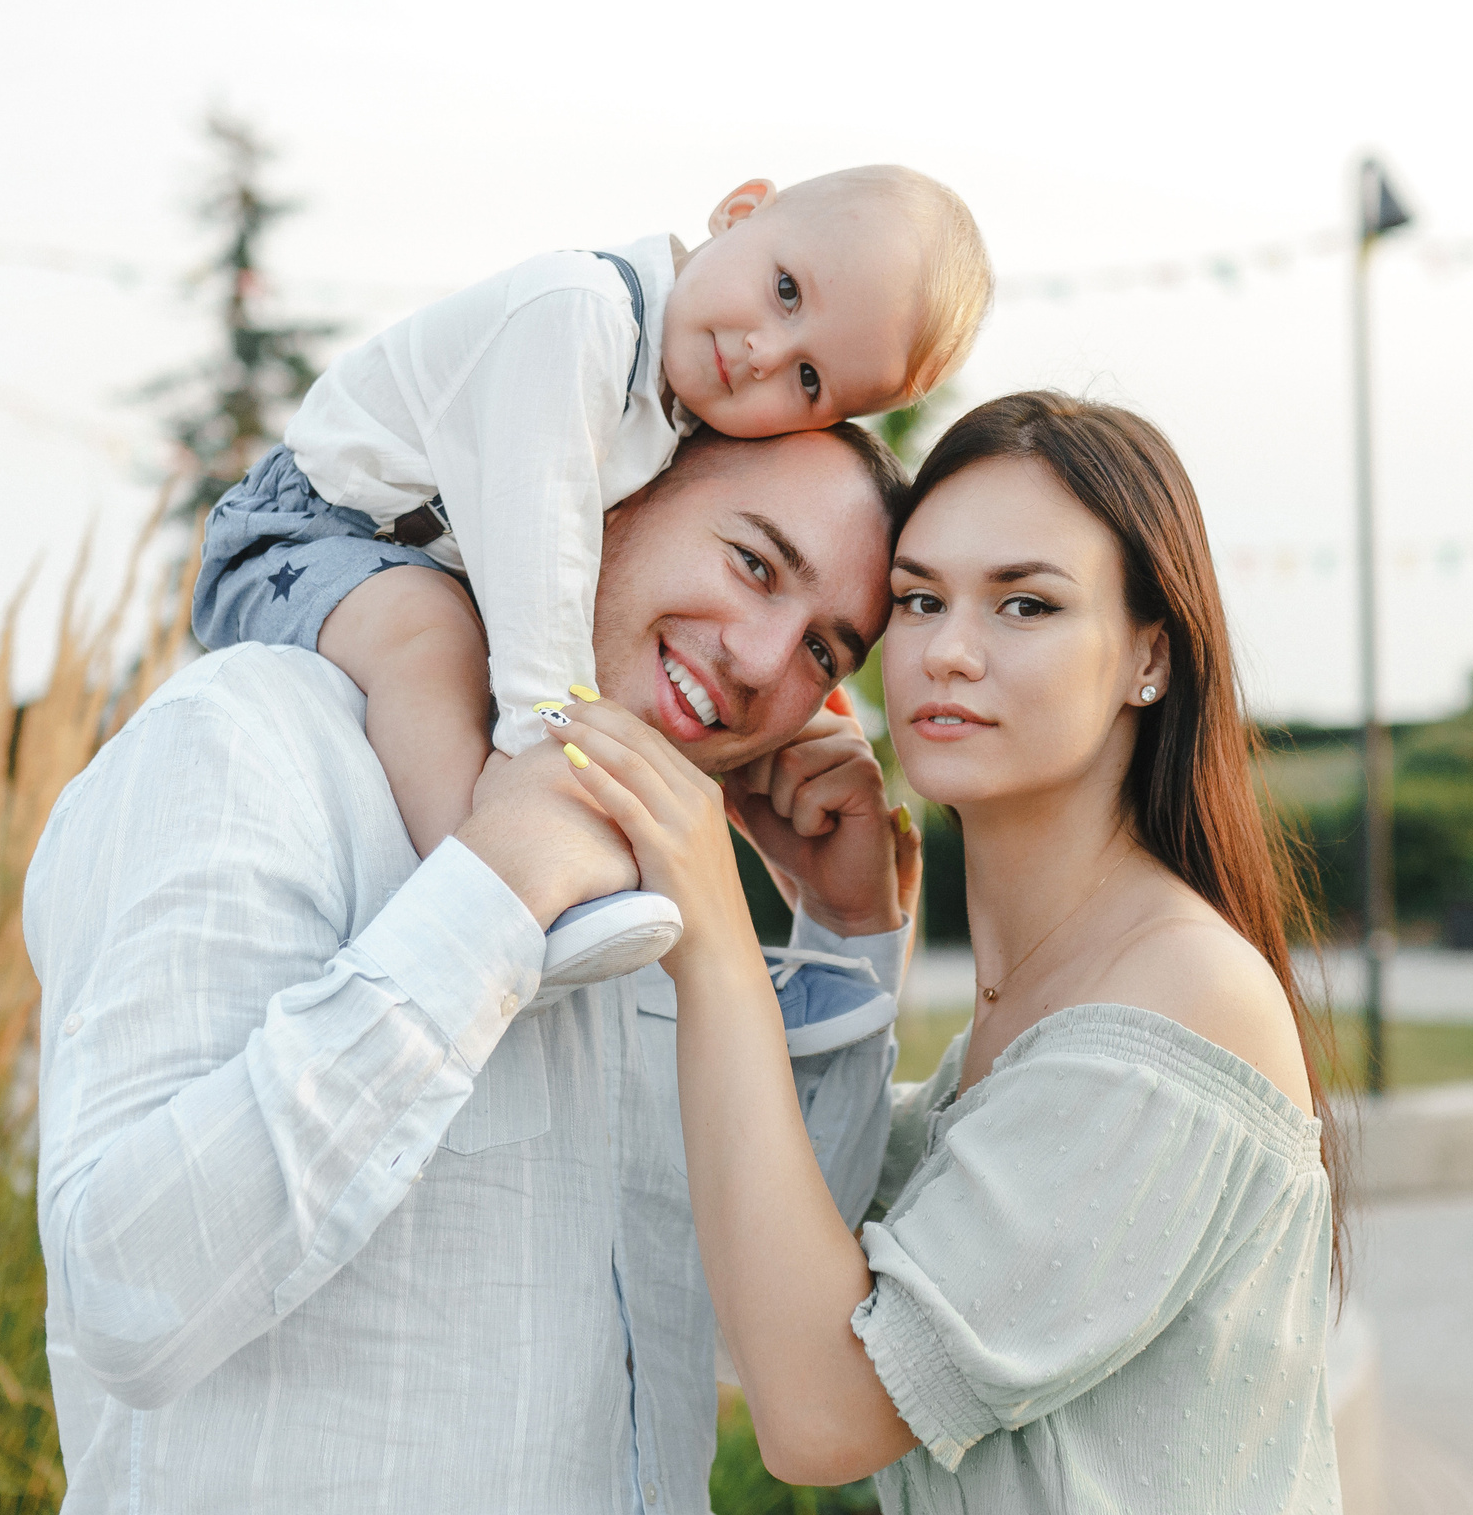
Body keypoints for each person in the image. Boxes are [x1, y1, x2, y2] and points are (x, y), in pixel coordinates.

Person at [24, 422, 924, 1515]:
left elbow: (737, 1341)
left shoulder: (662, 878)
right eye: (753, 564)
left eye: (825, 648)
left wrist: (842, 935)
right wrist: (487, 903)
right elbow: (126, 1294)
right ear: (596, 500)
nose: (768, 661)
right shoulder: (253, 743)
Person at [552, 392, 1351, 1515]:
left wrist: (716, 937)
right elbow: (776, 1278)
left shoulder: (1179, 997)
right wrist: (852, 940)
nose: (948, 651)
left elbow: (819, 1412)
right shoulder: (1037, 1000)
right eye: (919, 600)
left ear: (1150, 653)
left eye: (1024, 603)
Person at [192, 165, 991, 995]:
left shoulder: (678, 394)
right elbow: (544, 547)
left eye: (809, 379)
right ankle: (497, 879)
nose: (762, 353)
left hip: (407, 553)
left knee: (440, 633)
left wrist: (844, 922)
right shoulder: (581, 317)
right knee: (429, 640)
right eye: (785, 290)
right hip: (314, 521)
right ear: (739, 209)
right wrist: (554, 746)